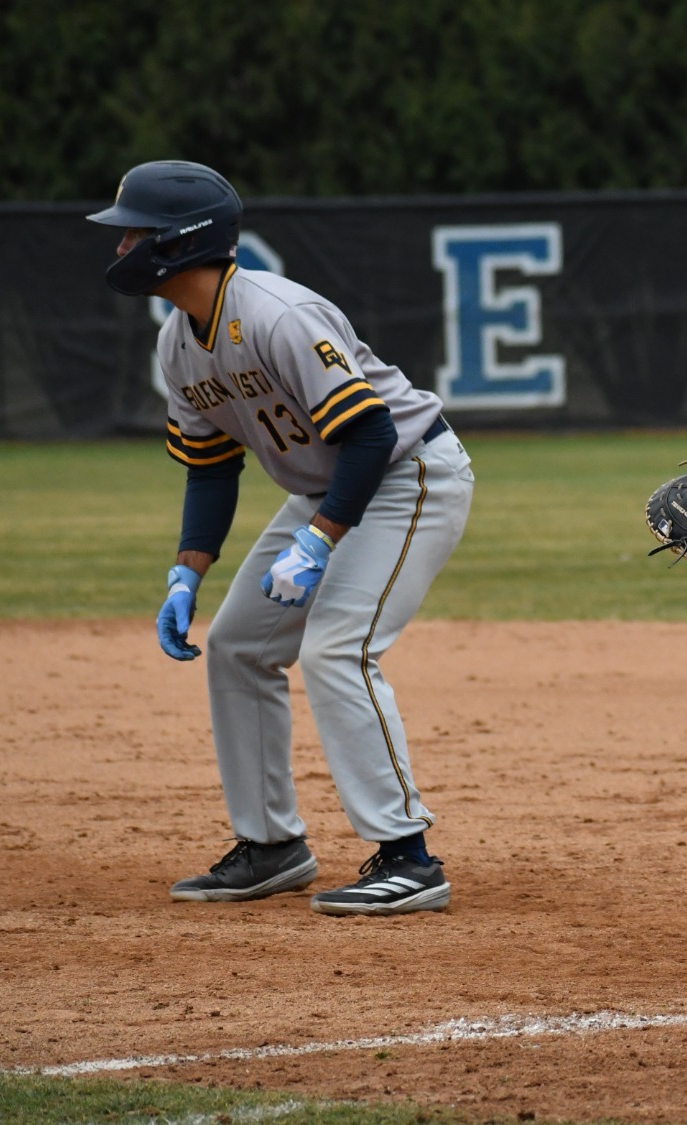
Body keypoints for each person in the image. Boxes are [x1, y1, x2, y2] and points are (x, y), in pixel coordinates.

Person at [87, 160, 473, 916]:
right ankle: (271, 845)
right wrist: (185, 574)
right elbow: (209, 470)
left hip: (408, 474)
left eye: (134, 230)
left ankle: (409, 857)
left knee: (338, 646)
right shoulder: (177, 344)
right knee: (237, 645)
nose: (122, 243)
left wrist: (320, 541)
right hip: (331, 490)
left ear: (177, 241)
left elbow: (369, 433)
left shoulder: (276, 315)